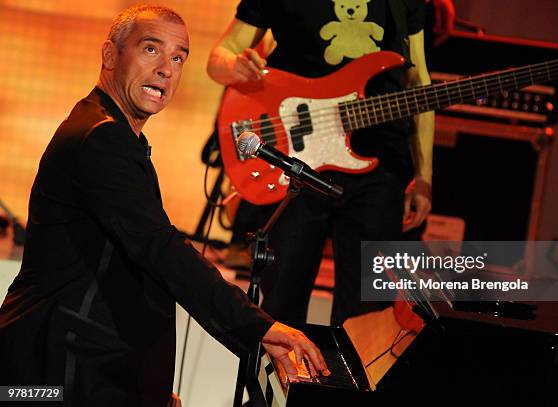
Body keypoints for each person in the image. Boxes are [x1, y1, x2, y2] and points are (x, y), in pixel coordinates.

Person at [0, 5, 328, 406]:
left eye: (178, 58)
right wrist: (260, 328)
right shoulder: (101, 139)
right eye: (151, 50)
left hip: (77, 366)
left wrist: (145, 385)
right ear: (110, 55)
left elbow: (122, 272)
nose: (166, 70)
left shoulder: (113, 133)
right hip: (53, 372)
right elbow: (161, 251)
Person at [208, 0, 435, 326]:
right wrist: (235, 64)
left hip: (382, 165)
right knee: (281, 303)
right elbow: (219, 56)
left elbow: (419, 82)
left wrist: (424, 176)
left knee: (368, 316)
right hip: (297, 162)